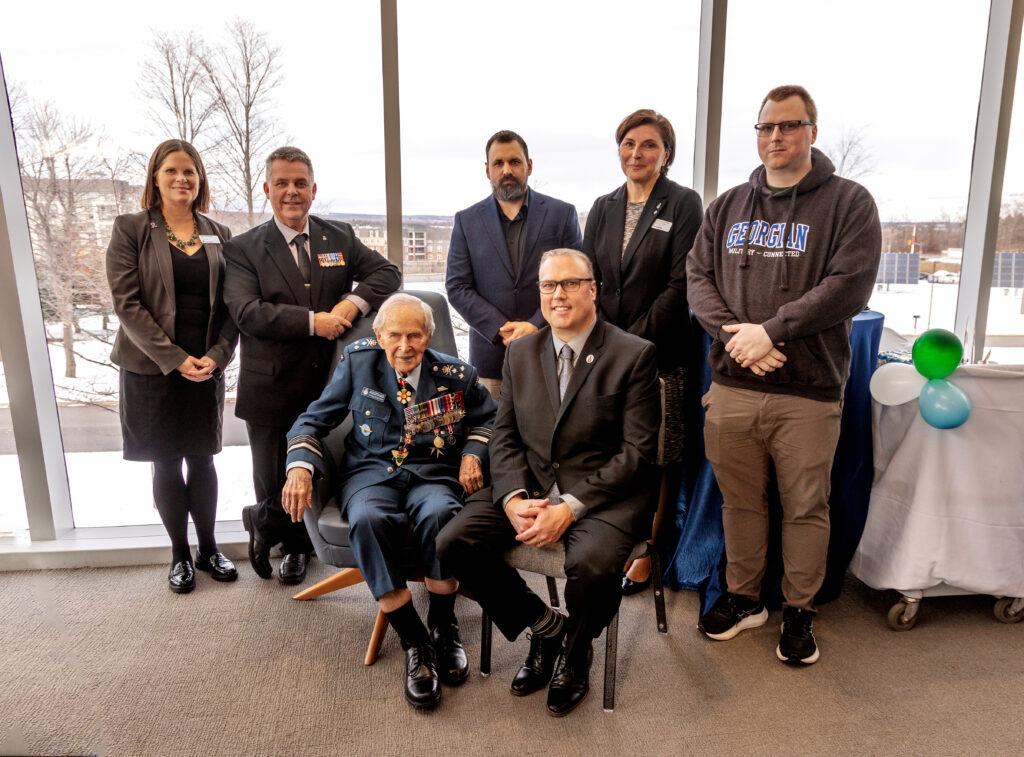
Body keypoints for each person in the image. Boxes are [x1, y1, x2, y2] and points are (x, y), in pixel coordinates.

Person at [686, 85, 881, 664]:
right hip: (733, 386)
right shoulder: (725, 207)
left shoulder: (849, 202)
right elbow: (699, 280)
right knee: (739, 502)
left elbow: (849, 284)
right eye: (767, 127)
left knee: (805, 507)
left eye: (789, 126)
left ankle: (800, 609)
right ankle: (746, 599)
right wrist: (734, 336)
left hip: (808, 392)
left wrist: (772, 330)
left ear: (812, 133)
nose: (776, 137)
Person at [438, 249, 661, 717]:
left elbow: (636, 454)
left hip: (603, 496)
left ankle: (577, 652)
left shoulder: (634, 354)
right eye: (548, 286)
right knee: (454, 541)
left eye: (569, 284)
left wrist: (571, 506)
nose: (557, 295)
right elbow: (505, 435)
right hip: (531, 485)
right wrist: (515, 497)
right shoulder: (521, 351)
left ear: (592, 289)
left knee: (593, 566)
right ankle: (545, 628)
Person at [281, 294, 496, 710]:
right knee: (366, 519)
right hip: (371, 473)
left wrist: (472, 452)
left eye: (415, 334)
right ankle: (416, 643)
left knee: (441, 514)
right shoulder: (358, 363)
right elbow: (312, 419)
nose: (404, 345)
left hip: (431, 472)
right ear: (379, 335)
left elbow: (489, 419)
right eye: (394, 334)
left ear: (429, 336)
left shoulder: (456, 374)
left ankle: (443, 623)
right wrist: (301, 465)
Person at [224, 146, 401, 586]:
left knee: (320, 470)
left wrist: (350, 301)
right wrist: (312, 322)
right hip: (271, 386)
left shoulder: (337, 237)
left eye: (300, 183)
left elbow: (387, 273)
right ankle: (278, 535)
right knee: (274, 475)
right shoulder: (244, 248)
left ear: (313, 189)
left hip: (329, 385)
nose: (291, 191)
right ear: (267, 189)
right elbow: (247, 311)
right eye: (282, 183)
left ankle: (297, 544)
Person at [106, 139, 238, 593]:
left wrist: (217, 356)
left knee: (203, 460)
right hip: (150, 370)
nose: (182, 179)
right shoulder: (132, 229)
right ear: (156, 178)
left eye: (190, 172)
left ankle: (209, 548)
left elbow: (231, 308)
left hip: (204, 367)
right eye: (172, 171)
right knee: (165, 462)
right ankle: (179, 556)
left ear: (200, 181)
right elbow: (127, 304)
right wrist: (175, 359)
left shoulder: (219, 232)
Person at [582, 108, 703, 595]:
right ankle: (612, 542)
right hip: (608, 353)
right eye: (629, 143)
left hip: (661, 356)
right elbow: (590, 279)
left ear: (666, 154)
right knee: (612, 453)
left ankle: (652, 553)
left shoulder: (685, 203)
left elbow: (680, 285)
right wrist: (608, 342)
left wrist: (633, 344)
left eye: (649, 145)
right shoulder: (603, 206)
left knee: (657, 454)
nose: (637, 153)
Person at [446, 130, 583, 399]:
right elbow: (457, 286)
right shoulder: (467, 220)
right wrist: (500, 327)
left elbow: (574, 280)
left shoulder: (561, 214)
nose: (507, 170)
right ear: (487, 170)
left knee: (550, 437)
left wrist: (534, 325)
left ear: (529, 166)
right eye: (498, 163)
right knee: (492, 437)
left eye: (515, 162)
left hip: (552, 349)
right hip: (491, 356)